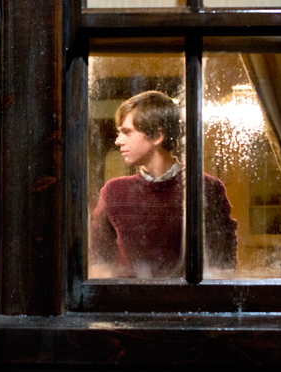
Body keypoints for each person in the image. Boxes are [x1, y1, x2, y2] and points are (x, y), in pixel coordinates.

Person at [90, 91, 237, 278]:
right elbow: (99, 264)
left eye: (126, 132)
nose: (118, 141)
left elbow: (222, 267)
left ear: (157, 136)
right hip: (128, 297)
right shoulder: (113, 192)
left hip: (187, 297)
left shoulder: (206, 188)